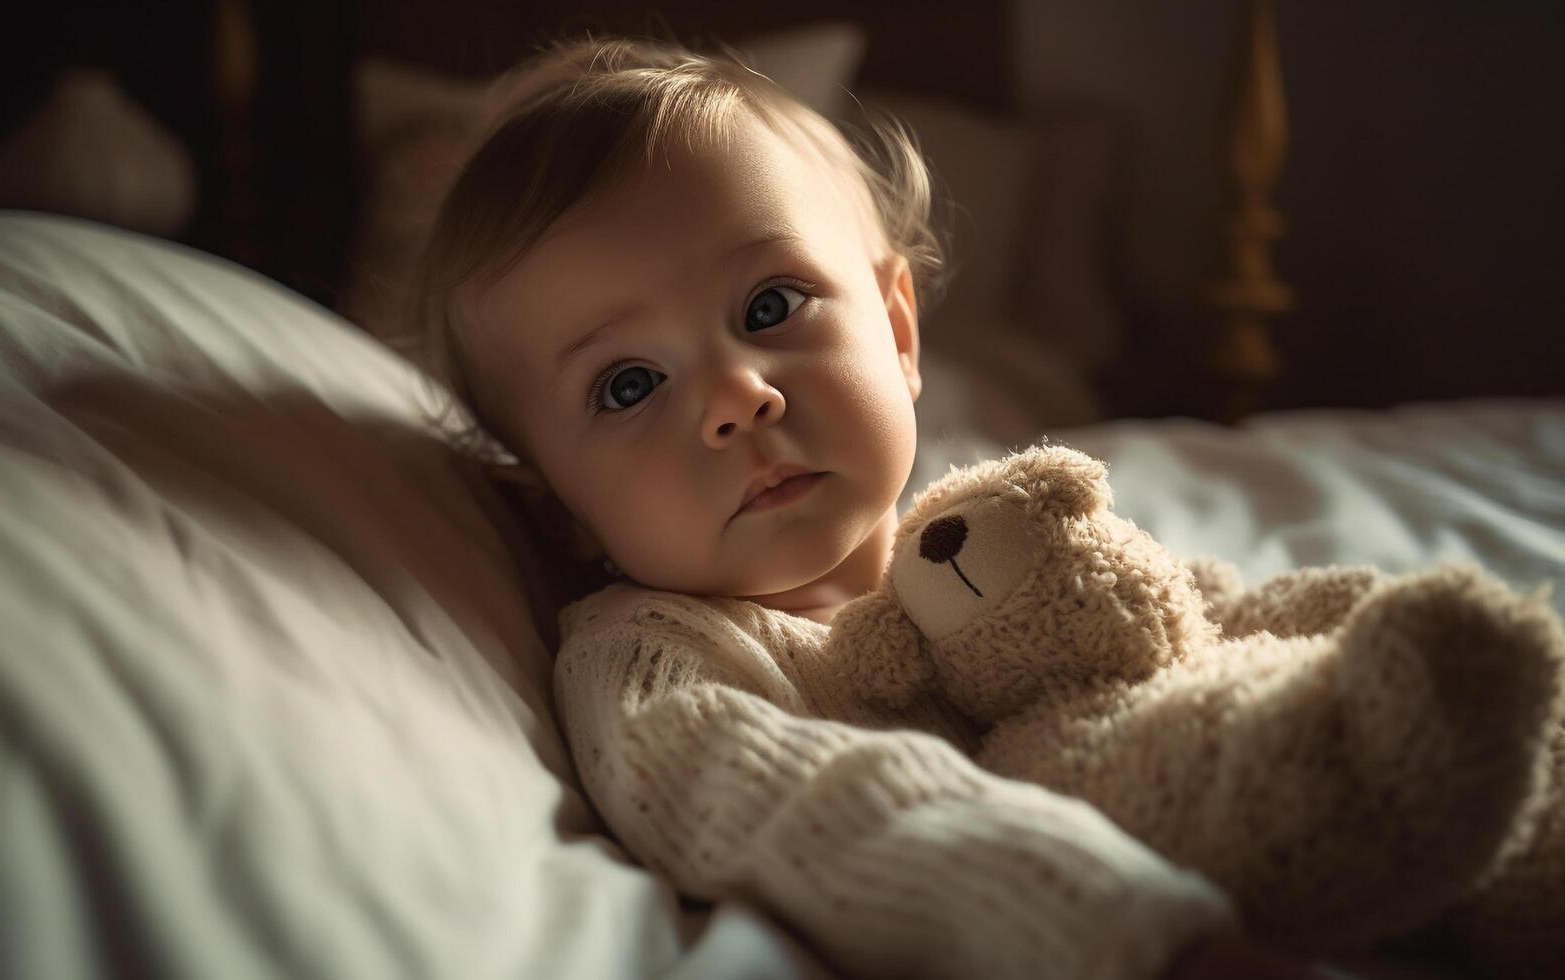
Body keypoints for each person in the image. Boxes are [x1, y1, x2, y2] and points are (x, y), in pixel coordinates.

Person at [409, 33, 1349, 980]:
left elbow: (1190, 619)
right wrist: (1142, 936)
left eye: (769, 307)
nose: (738, 398)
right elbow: (832, 815)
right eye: (626, 384)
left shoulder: (984, 533)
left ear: (897, 329)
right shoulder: (655, 662)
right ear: (560, 508)